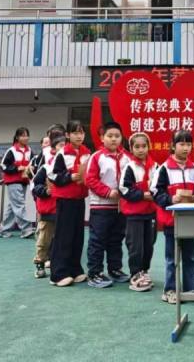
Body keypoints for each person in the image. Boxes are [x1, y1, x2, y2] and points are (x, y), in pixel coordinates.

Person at [151, 129, 194, 304]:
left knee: (190, 257)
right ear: (173, 146)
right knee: (172, 258)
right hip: (172, 221)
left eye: (188, 144)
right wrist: (171, 199)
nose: (185, 148)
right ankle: (170, 290)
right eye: (182, 144)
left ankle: (191, 289)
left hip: (191, 220)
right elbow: (155, 192)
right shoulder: (164, 168)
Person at [85, 122, 130, 288]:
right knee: (97, 240)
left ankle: (115, 269)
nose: (113, 139)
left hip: (120, 206)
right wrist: (107, 192)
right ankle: (94, 273)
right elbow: (90, 180)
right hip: (100, 206)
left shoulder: (127, 157)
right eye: (110, 136)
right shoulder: (97, 157)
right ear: (102, 138)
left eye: (117, 136)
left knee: (116, 239)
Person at [48, 120, 90, 287]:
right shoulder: (62, 153)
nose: (79, 136)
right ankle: (58, 273)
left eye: (81, 132)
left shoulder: (87, 153)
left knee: (77, 236)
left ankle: (75, 269)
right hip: (65, 200)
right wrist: (69, 177)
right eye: (75, 133)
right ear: (67, 135)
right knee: (63, 236)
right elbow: (52, 175)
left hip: (80, 198)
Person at [119, 132, 157, 292]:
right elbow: (123, 189)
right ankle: (135, 274)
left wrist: (154, 194)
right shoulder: (129, 167)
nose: (141, 150)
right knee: (136, 246)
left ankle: (144, 271)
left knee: (149, 245)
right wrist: (142, 195)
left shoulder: (155, 166)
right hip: (134, 214)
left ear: (149, 147)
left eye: (144, 146)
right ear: (131, 148)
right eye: (137, 147)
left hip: (151, 213)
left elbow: (159, 186)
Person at [31, 133, 61, 279]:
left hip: (63, 210)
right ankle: (40, 264)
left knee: (60, 240)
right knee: (44, 239)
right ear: (53, 149)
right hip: (48, 211)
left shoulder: (68, 167)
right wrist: (45, 191)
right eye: (60, 146)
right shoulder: (46, 167)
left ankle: (57, 265)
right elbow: (35, 187)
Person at [0, 127, 35, 239]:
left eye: (27, 135)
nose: (25, 138)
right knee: (19, 204)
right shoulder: (11, 150)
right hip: (13, 181)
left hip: (24, 181)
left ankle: (3, 230)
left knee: (13, 206)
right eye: (23, 135)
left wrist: (32, 167)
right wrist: (17, 168)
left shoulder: (29, 150)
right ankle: (26, 229)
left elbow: (34, 163)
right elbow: (3, 165)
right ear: (17, 137)